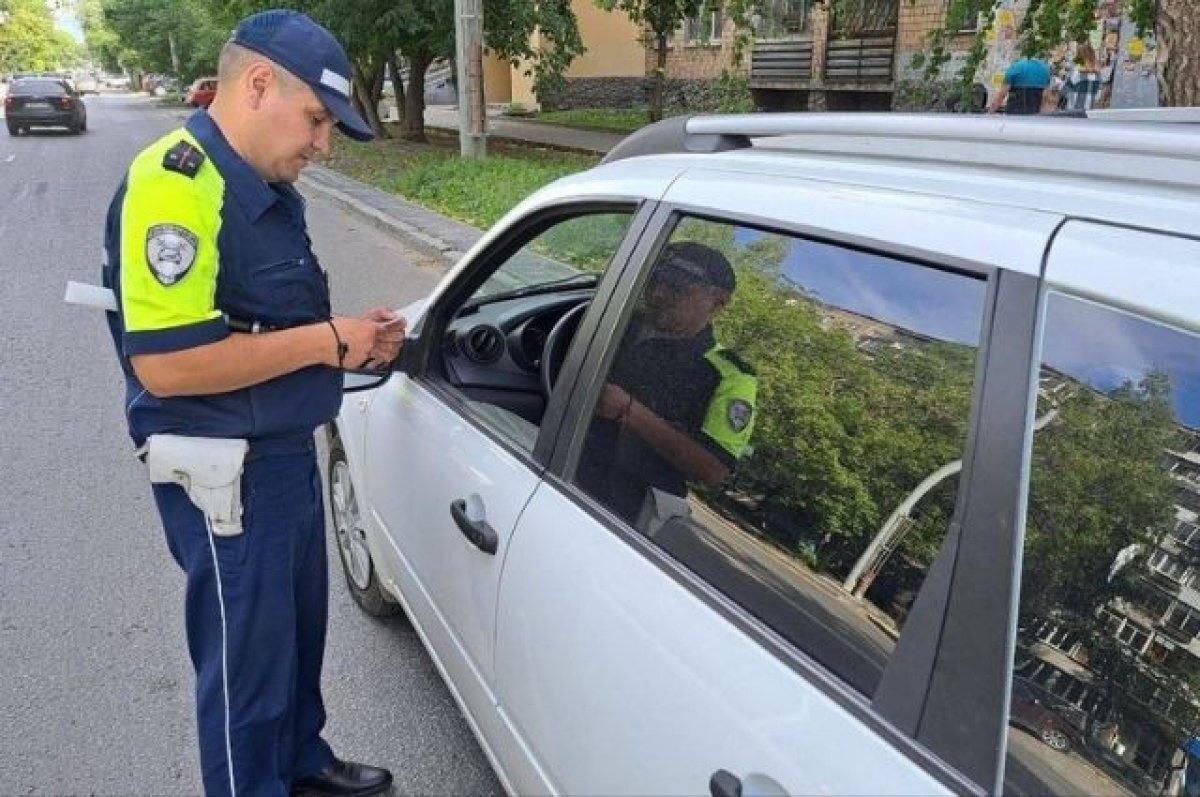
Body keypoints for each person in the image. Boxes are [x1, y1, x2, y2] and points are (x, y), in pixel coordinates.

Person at [101, 10, 402, 797]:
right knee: (247, 663)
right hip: (226, 471)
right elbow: (166, 363)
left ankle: (300, 761)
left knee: (295, 635)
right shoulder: (176, 183)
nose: (323, 144)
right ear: (258, 85)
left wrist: (348, 338)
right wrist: (327, 342)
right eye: (316, 120)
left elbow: (266, 318)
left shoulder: (261, 181)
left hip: (280, 449)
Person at [576, 241, 757, 527]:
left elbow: (713, 470)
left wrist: (629, 411)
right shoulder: (615, 319)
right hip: (562, 461)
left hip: (621, 513)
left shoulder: (730, 376)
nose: (658, 293)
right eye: (655, 280)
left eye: (677, 288)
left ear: (718, 303)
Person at [987, 53, 1052, 115]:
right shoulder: (1045, 69)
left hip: (1014, 113)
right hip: (1034, 114)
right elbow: (1046, 96)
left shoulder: (1015, 67)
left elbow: (1002, 95)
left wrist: (991, 112)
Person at [1060, 42, 1103, 112]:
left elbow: (1064, 91)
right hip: (1089, 112)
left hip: (1074, 111)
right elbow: (1098, 96)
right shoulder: (1098, 75)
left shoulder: (1077, 74)